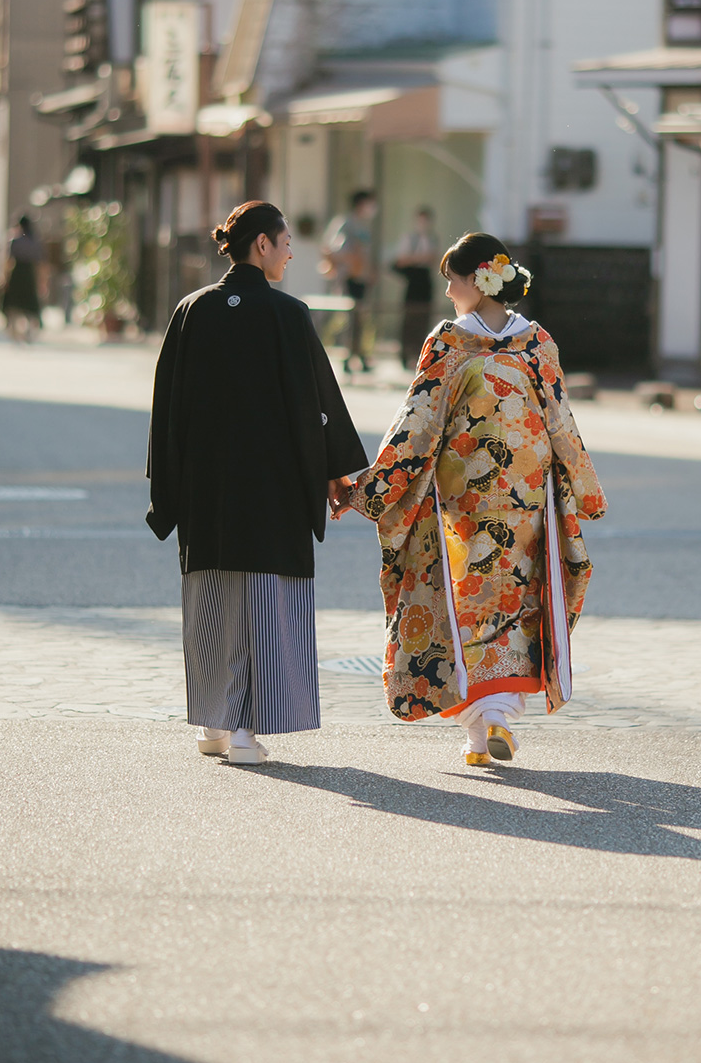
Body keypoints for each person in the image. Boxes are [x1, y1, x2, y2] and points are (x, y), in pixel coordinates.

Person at [338, 231, 607, 766]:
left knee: (464, 606)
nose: (448, 292)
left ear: (479, 281)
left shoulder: (451, 343)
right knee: (517, 602)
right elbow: (560, 422)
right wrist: (586, 491)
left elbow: (417, 425)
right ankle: (491, 725)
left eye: (452, 280)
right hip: (528, 502)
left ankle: (486, 723)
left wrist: (369, 490)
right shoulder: (538, 343)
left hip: (466, 505)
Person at [147, 199, 369, 764]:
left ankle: (213, 726)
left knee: (212, 598)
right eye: (286, 239)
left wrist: (168, 487)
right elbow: (316, 404)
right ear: (262, 246)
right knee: (267, 605)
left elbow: (166, 407)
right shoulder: (287, 315)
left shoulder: (192, 310)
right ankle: (248, 733)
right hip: (272, 485)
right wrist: (333, 473)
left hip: (208, 485)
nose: (292, 249)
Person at [321, 188, 377, 373]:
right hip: (349, 278)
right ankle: (347, 357)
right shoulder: (346, 223)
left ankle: (360, 355)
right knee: (348, 318)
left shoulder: (363, 225)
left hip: (361, 278)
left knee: (362, 318)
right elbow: (335, 249)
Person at [391, 205, 440, 370]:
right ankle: (406, 353)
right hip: (413, 281)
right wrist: (419, 258)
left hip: (425, 282)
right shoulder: (409, 238)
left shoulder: (432, 238)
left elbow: (434, 259)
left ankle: (421, 353)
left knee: (424, 318)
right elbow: (401, 260)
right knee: (409, 317)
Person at [2, 214, 44, 342]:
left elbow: (8, 261)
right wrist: (41, 282)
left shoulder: (15, 240)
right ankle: (29, 332)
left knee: (14, 304)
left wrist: (5, 278)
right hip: (29, 274)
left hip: (18, 273)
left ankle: (15, 332)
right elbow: (41, 264)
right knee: (30, 305)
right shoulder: (35, 241)